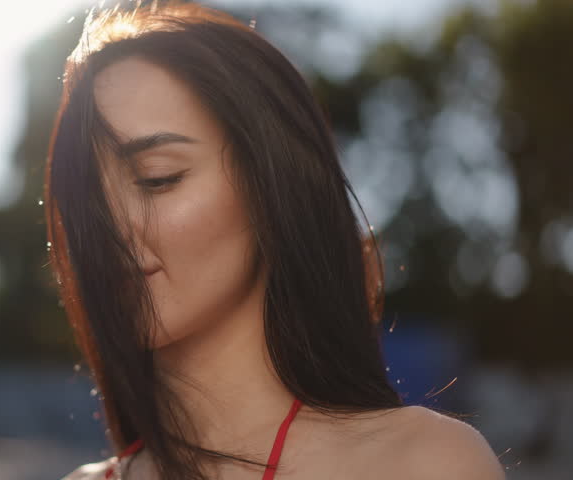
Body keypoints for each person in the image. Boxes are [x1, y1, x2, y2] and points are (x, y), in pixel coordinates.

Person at [43, 2, 507, 479]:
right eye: (86, 203)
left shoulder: (424, 462)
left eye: (157, 178)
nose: (109, 228)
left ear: (271, 183)